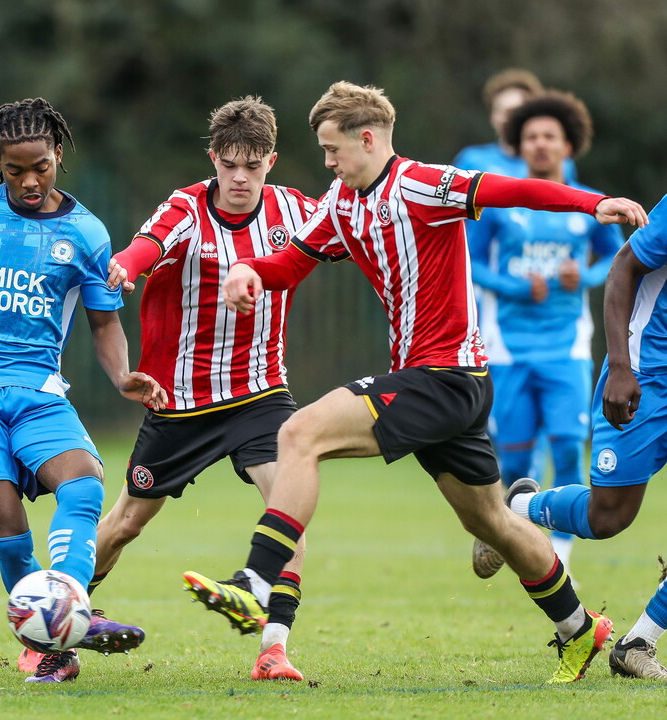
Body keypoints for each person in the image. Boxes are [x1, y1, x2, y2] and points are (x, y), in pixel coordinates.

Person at [187, 81, 648, 684]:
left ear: (367, 139)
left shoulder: (422, 184)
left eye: (332, 149)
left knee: (299, 433)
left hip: (446, 376)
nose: (326, 162)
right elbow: (294, 262)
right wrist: (251, 270)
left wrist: (594, 204)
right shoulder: (342, 201)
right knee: (491, 522)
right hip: (441, 383)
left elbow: (514, 189)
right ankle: (579, 629)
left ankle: (254, 581)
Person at [0, 97, 167, 684]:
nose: (29, 181)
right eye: (14, 170)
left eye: (41, 168)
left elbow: (104, 322)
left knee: (83, 482)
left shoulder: (86, 233)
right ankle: (54, 648)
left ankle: (70, 612)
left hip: (38, 390)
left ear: (58, 155)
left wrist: (122, 375)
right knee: (2, 518)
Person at [91, 97, 317, 681]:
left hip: (260, 395)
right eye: (229, 165)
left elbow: (352, 231)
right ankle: (53, 620)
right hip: (180, 404)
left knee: (288, 507)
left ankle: (273, 650)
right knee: (125, 524)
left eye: (253, 166)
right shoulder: (186, 207)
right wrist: (126, 265)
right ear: (213, 157)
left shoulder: (295, 210)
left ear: (271, 161)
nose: (240, 178)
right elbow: (148, 245)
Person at [474, 195, 667, 680]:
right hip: (649, 375)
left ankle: (638, 642)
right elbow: (622, 265)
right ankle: (515, 509)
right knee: (608, 517)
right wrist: (621, 366)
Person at [467, 91, 623, 579]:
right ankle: (516, 535)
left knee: (568, 447)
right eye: (531, 136)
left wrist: (585, 276)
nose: (539, 144)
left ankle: (560, 561)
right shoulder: (499, 203)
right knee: (514, 461)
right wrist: (513, 286)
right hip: (507, 348)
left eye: (549, 136)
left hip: (566, 346)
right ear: (519, 145)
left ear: (567, 145)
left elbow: (616, 258)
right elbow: (469, 262)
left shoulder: (590, 203)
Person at [454, 69, 576, 485]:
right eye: (502, 110)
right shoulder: (474, 162)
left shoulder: (555, 162)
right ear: (493, 116)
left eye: (518, 109)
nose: (510, 116)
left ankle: (532, 502)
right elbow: (463, 240)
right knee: (497, 422)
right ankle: (511, 494)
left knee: (546, 426)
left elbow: (574, 223)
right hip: (487, 306)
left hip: (546, 314)